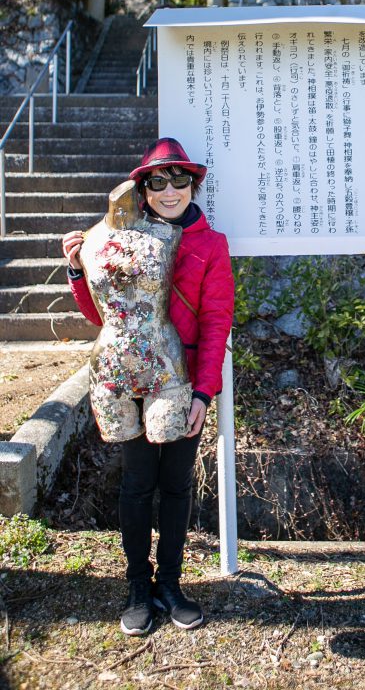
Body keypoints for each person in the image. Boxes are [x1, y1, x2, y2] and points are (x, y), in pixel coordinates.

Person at [62, 137, 234, 636]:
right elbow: (103, 316)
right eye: (157, 182)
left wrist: (205, 393)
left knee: (177, 484)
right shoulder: (122, 238)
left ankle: (171, 585)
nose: (169, 191)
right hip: (128, 376)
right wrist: (78, 270)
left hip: (183, 382)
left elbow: (218, 320)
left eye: (179, 180)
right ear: (143, 189)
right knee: (137, 484)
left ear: (193, 185)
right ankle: (138, 585)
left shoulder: (210, 244)